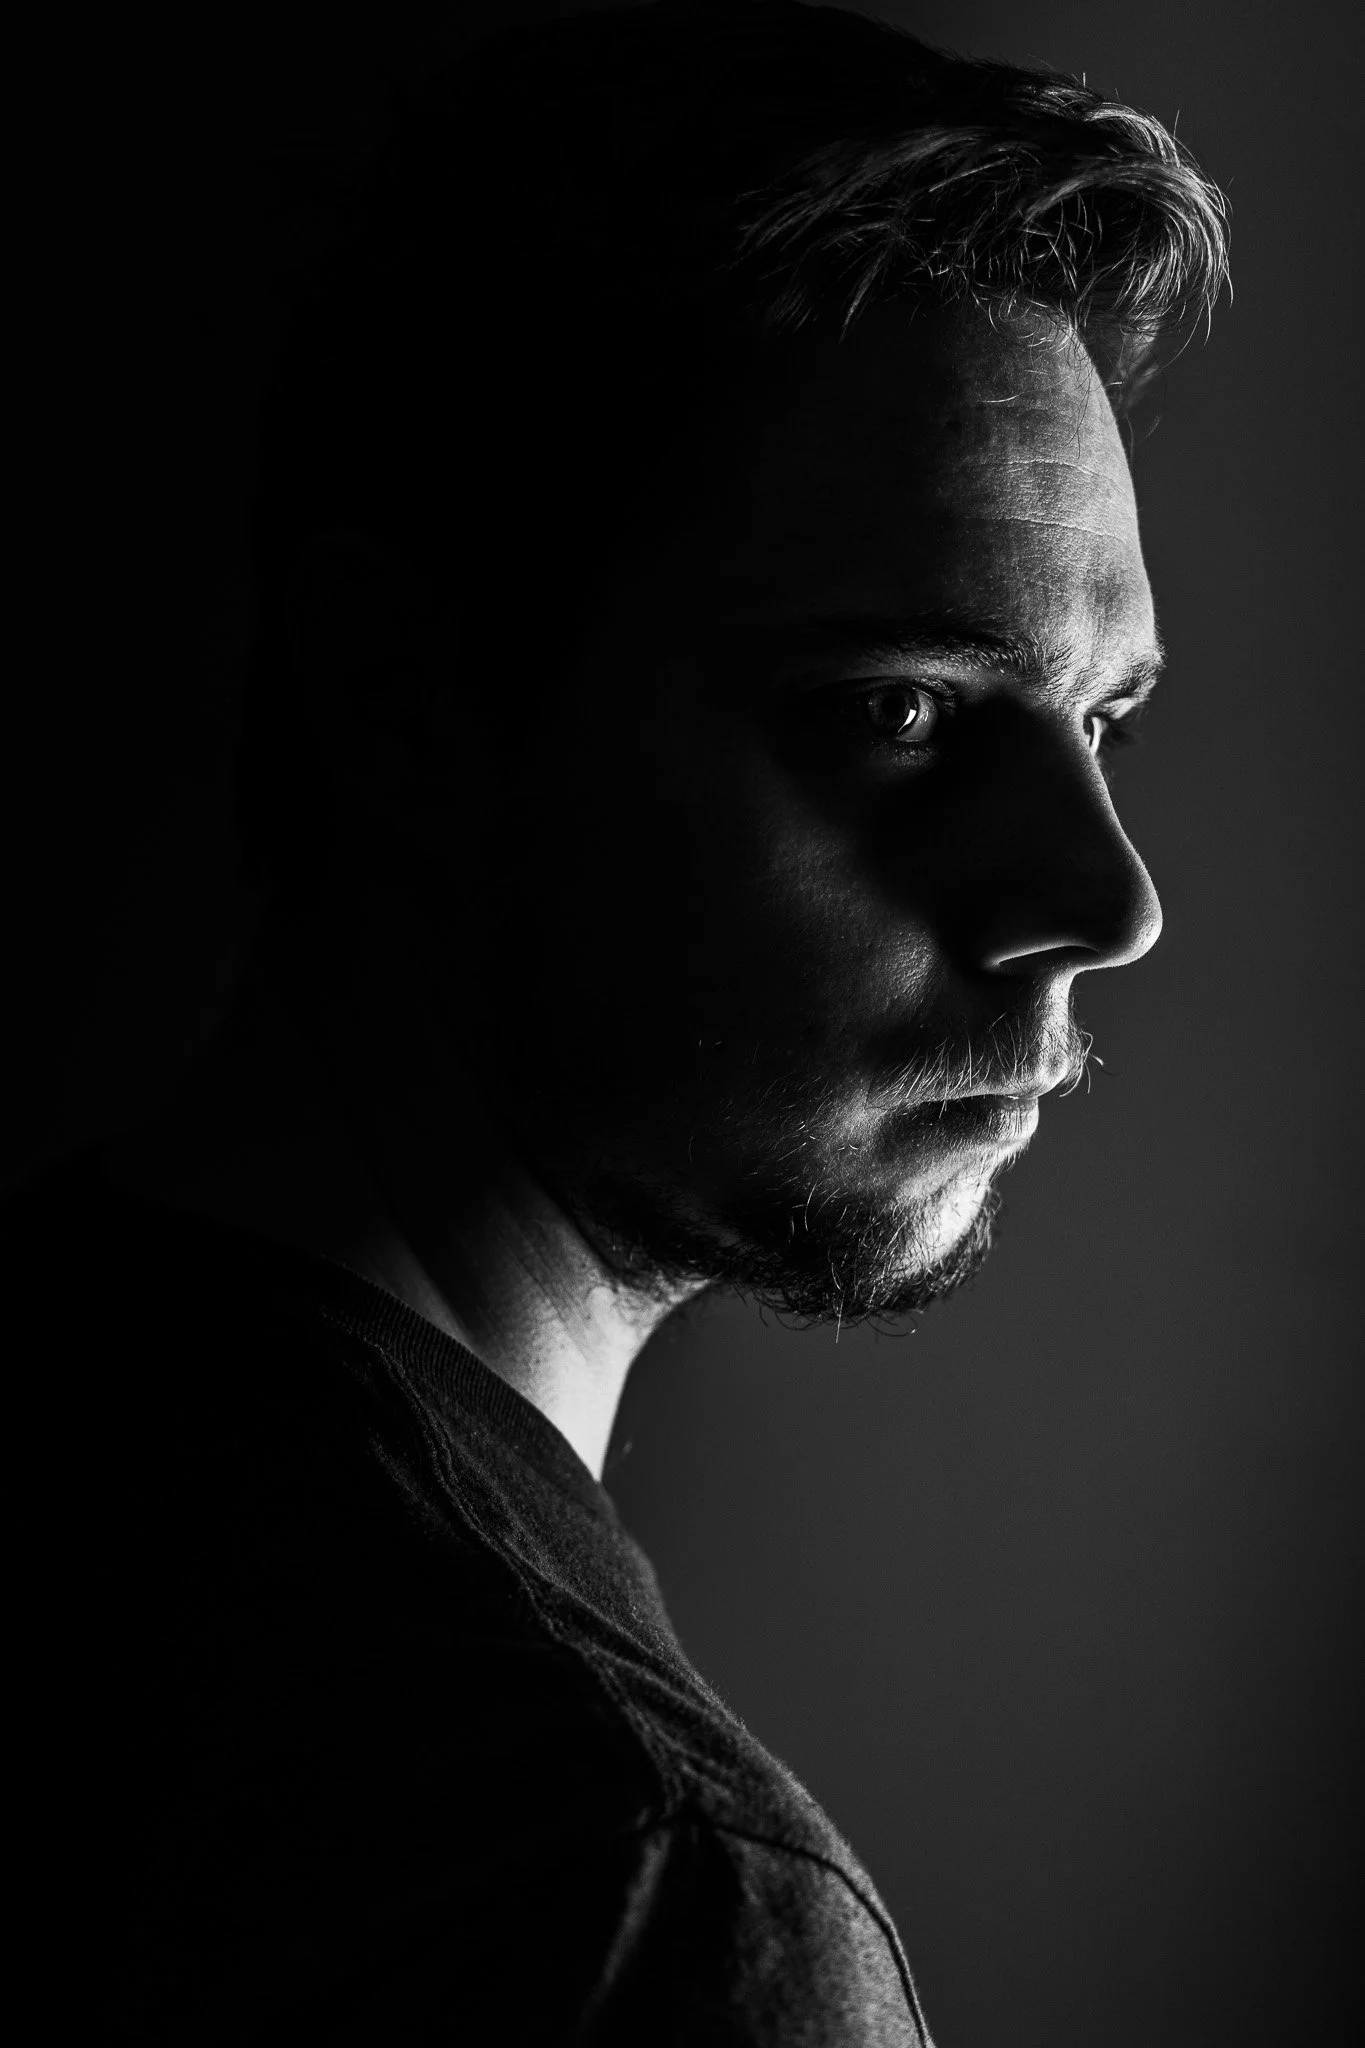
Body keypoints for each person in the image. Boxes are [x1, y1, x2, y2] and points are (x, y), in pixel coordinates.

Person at [13, 2, 1227, 2038]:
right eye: (900, 713)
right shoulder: (620, 1891)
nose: (1104, 900)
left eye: (1101, 719)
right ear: (404, 707)